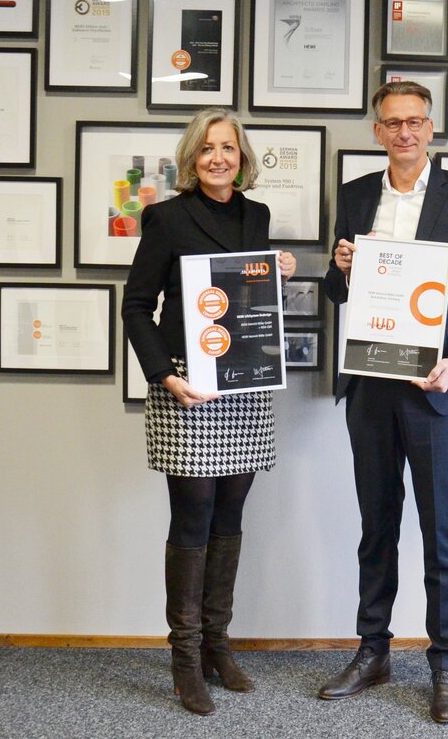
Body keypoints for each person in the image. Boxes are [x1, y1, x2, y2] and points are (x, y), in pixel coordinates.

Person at [319, 81, 448, 723]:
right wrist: (343, 268)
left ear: (430, 128)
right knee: (376, 527)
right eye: (392, 122)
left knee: (439, 531)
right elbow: (337, 292)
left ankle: (446, 665)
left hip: (436, 391)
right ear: (378, 131)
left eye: (415, 122)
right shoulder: (354, 196)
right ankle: (372, 652)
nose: (404, 132)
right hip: (370, 386)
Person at [122, 108, 296, 716]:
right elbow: (137, 305)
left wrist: (278, 273)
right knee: (192, 514)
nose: (218, 158)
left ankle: (218, 644)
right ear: (191, 158)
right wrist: (164, 376)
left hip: (244, 384)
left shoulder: (257, 215)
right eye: (207, 148)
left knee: (230, 513)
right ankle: (185, 658)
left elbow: (243, 297)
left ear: (242, 157)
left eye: (228, 147)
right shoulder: (167, 218)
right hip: (186, 384)